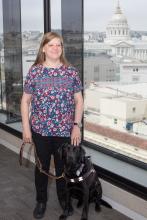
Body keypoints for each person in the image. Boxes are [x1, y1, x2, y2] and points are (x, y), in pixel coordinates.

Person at [21, 32, 83, 219]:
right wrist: (25, 128)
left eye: (59, 45)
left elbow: (79, 100)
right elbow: (25, 101)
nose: (56, 48)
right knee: (42, 169)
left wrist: (76, 125)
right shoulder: (35, 71)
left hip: (65, 132)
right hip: (40, 131)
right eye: (51, 45)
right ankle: (41, 201)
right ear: (43, 48)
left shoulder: (71, 72)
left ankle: (64, 201)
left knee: (64, 169)